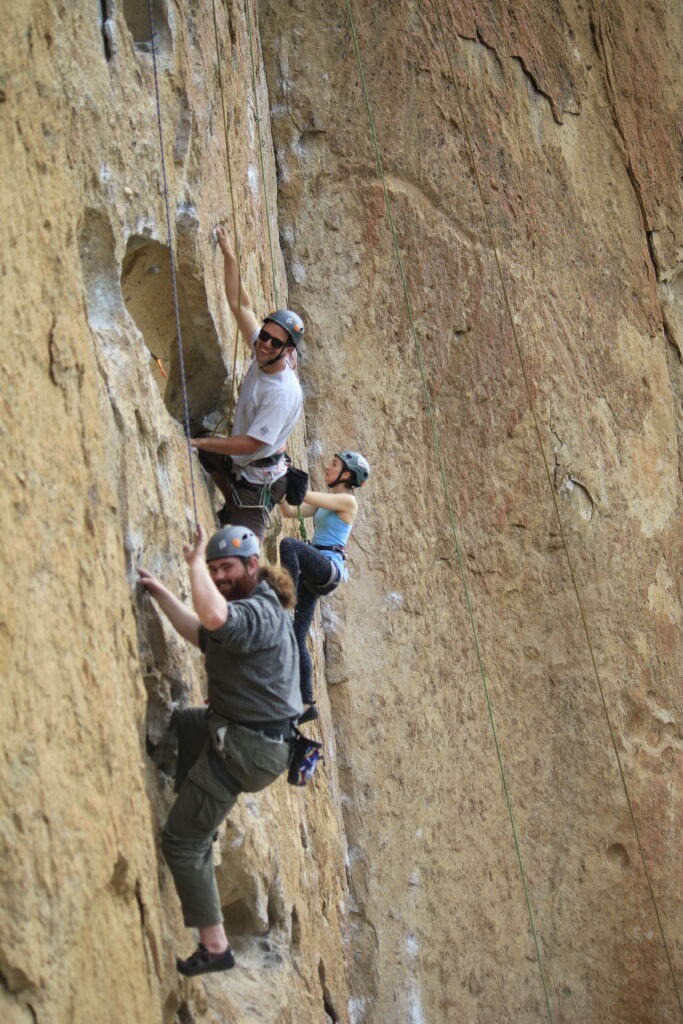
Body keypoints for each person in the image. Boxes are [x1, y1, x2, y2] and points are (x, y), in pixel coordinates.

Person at [137, 524, 302, 976]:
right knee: (190, 725)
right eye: (213, 569)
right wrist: (160, 594)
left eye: (226, 567)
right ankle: (197, 818)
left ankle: (215, 947)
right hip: (249, 738)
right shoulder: (255, 610)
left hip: (248, 750)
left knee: (181, 842)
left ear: (253, 565)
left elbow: (212, 619)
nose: (219, 576)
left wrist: (193, 567)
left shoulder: (258, 612)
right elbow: (202, 633)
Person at [191, 226, 304, 539]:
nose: (264, 344)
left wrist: (202, 443)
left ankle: (238, 511)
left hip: (259, 480)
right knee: (204, 446)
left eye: (274, 342)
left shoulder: (280, 392)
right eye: (264, 335)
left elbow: (251, 443)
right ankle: (230, 504)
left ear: (288, 350)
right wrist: (228, 254)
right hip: (247, 461)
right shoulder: (264, 350)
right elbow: (240, 304)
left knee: (242, 550)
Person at [279, 450, 370, 723]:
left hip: (327, 569)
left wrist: (283, 469)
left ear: (346, 474)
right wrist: (280, 483)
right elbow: (289, 510)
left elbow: (304, 495)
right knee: (296, 637)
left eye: (334, 465)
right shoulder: (328, 501)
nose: (327, 467)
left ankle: (284, 600)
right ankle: (308, 703)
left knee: (288, 545)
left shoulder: (346, 501)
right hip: (315, 570)